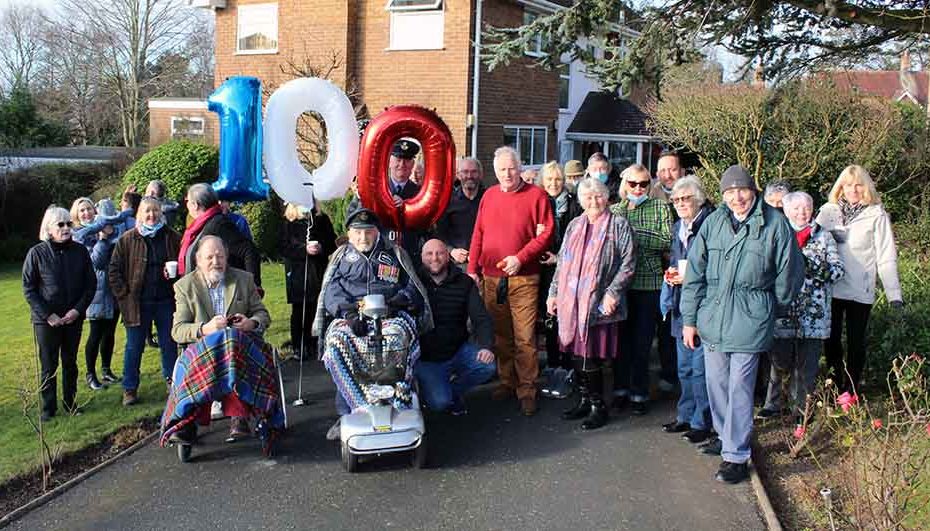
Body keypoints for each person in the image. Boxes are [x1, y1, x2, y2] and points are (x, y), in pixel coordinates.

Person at [680, 165, 804, 484]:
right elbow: (694, 274)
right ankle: (725, 437)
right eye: (729, 192)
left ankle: (736, 455)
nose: (737, 198)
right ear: (722, 195)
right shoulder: (714, 223)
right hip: (713, 317)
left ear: (754, 190)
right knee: (718, 384)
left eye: (742, 190)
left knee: (740, 387)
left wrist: (768, 309)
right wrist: (690, 320)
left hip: (751, 319)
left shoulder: (775, 225)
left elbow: (789, 275)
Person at [314, 208, 432, 432]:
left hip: (390, 314)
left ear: (377, 232)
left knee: (397, 338)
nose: (362, 237)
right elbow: (331, 291)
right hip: (351, 316)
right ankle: (354, 407)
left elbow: (411, 286)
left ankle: (400, 401)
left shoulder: (394, 253)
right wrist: (348, 315)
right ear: (349, 234)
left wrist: (397, 302)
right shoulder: (340, 258)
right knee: (337, 343)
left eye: (368, 232)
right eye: (357, 233)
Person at [468, 146, 555, 416]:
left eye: (512, 168)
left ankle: (527, 389)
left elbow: (546, 235)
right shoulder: (489, 196)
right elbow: (478, 233)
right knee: (501, 335)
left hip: (524, 277)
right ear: (495, 171)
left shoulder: (537, 196)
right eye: (502, 169)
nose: (507, 173)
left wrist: (520, 257)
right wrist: (472, 268)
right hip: (491, 277)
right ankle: (507, 381)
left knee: (525, 337)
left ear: (520, 167)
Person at [546, 177, 636, 429]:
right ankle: (585, 401)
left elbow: (628, 265)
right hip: (571, 304)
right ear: (581, 200)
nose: (593, 201)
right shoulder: (575, 224)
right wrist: (553, 293)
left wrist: (612, 293)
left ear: (606, 198)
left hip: (599, 305)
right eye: (587, 197)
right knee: (577, 355)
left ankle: (599, 407)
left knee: (590, 358)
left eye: (598, 196)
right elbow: (562, 263)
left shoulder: (618, 225)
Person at [168, 235, 272, 442]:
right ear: (198, 260)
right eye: (210, 257)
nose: (216, 262)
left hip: (240, 348)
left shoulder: (243, 279)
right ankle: (187, 422)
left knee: (231, 342)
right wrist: (205, 328)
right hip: (202, 351)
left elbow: (263, 315)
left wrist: (250, 323)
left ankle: (238, 416)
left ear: (226, 257)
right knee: (216, 350)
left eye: (220, 256)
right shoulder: (184, 287)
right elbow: (178, 330)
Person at [757, 191, 844, 419]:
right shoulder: (778, 234)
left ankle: (801, 410)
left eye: (806, 207)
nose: (802, 212)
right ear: (786, 211)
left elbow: (837, 271)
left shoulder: (824, 236)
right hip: (784, 309)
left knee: (807, 366)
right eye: (796, 208)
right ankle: (772, 404)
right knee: (779, 361)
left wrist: (813, 268)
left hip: (813, 313)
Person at [816, 165, 902, 392]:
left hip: (859, 287)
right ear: (840, 187)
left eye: (858, 185)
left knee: (856, 341)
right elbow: (814, 246)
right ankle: (833, 385)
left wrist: (894, 295)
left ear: (866, 187)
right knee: (830, 339)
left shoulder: (877, 215)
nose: (853, 190)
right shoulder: (828, 212)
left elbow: (886, 256)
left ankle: (851, 388)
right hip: (832, 287)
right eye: (847, 185)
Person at [609, 164, 673, 415]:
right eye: (633, 183)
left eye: (643, 184)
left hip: (649, 284)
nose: (638, 188)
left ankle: (639, 392)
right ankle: (620, 390)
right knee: (620, 342)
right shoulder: (616, 210)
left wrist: (634, 233)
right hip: (621, 287)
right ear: (625, 183)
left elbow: (665, 240)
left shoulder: (659, 207)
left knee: (642, 343)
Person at [23, 206, 96, 421]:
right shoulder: (36, 253)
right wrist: (48, 315)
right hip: (47, 322)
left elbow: (90, 284)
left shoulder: (80, 251)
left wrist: (77, 310)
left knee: (70, 362)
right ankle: (48, 407)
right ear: (49, 228)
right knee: (49, 364)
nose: (66, 228)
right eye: (61, 225)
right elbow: (29, 288)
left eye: (68, 224)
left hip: (73, 318)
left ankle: (70, 402)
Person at [109, 197, 182, 406]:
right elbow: (113, 270)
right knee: (134, 346)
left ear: (161, 213)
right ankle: (129, 388)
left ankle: (172, 381)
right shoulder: (127, 239)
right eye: (147, 212)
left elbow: (184, 266)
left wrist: (175, 276)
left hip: (166, 300)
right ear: (139, 215)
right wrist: (124, 293)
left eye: (155, 211)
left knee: (169, 343)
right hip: (137, 302)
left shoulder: (172, 237)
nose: (151, 215)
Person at [659, 177, 715, 443]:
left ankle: (702, 422)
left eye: (685, 199)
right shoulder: (678, 227)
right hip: (680, 304)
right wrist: (672, 273)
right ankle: (686, 416)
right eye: (676, 200)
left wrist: (688, 275)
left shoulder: (710, 225)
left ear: (699, 199)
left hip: (703, 306)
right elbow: (677, 260)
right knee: (683, 367)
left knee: (699, 368)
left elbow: (714, 265)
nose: (680, 204)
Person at [416, 239, 496, 415]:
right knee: (439, 403)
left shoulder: (464, 282)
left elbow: (481, 318)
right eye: (429, 254)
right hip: (426, 358)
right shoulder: (414, 283)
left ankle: (454, 390)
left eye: (440, 253)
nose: (435, 258)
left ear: (448, 256)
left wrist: (486, 346)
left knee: (487, 367)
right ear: (422, 257)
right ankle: (437, 392)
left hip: (457, 350)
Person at [71, 198, 125, 390]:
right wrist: (103, 239)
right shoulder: (79, 236)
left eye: (89, 209)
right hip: (95, 291)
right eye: (82, 210)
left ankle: (106, 370)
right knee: (95, 333)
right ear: (76, 215)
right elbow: (97, 262)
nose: (86, 213)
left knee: (109, 333)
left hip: (113, 290)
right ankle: (91, 374)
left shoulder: (108, 228)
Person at [538, 161, 583, 377]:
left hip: (569, 270)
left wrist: (559, 258)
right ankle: (552, 361)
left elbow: (579, 239)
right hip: (543, 271)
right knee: (549, 317)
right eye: (549, 179)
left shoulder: (575, 205)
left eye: (557, 179)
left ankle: (567, 363)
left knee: (567, 318)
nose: (553, 183)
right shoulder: (537, 202)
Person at [279, 202, 337, 357]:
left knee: (316, 307)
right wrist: (303, 250)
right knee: (299, 310)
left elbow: (332, 242)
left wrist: (321, 247)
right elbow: (283, 248)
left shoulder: (321, 219)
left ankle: (315, 344)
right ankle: (298, 345)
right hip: (297, 273)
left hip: (317, 271)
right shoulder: (289, 222)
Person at [178, 183, 261, 287]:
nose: (187, 205)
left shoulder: (219, 224)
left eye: (188, 201)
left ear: (195, 205)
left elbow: (249, 250)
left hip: (219, 289)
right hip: (200, 290)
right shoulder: (200, 224)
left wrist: (253, 286)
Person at [435, 157, 485, 270]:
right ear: (458, 175)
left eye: (474, 172)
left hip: (485, 264)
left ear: (481, 174)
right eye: (465, 172)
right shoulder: (447, 201)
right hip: (458, 264)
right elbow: (438, 233)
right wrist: (451, 251)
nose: (469, 176)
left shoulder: (489, 199)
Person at [384, 139, 426, 259]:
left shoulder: (420, 194)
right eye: (398, 160)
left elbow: (426, 228)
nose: (402, 165)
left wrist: (407, 208)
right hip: (382, 255)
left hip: (410, 255)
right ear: (389, 162)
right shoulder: (376, 189)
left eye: (407, 160)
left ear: (413, 164)